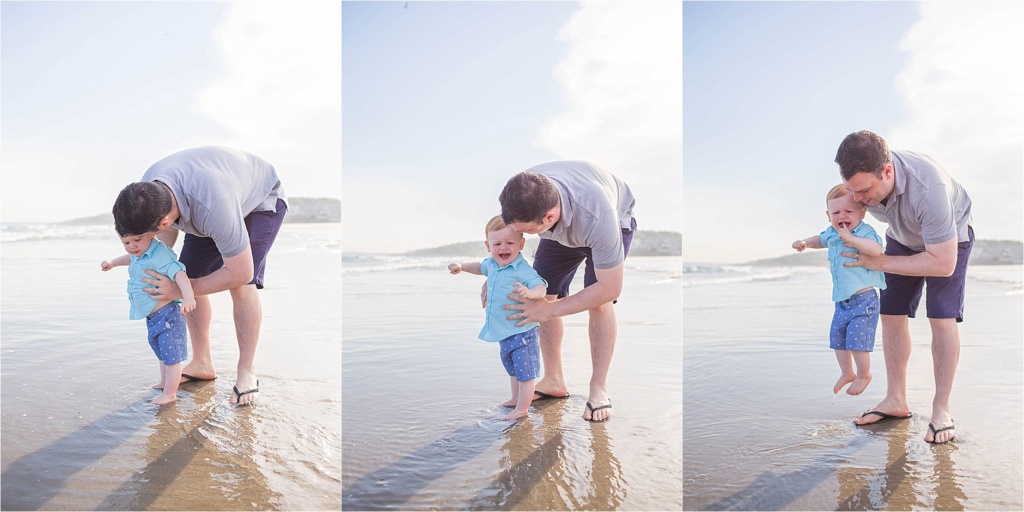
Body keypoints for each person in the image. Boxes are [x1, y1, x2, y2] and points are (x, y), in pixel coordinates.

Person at [115, 146, 287, 405]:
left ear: (163, 223)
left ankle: (246, 371)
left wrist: (178, 290)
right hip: (207, 196)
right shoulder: (145, 191)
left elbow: (241, 273)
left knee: (242, 285)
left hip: (260, 200)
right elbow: (161, 249)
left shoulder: (214, 206)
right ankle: (202, 362)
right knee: (189, 273)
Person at [836, 130, 973, 444]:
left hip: (948, 242)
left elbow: (942, 264)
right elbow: (841, 213)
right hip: (902, 235)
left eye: (864, 191)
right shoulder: (860, 185)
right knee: (891, 312)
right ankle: (896, 400)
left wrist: (880, 262)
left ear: (887, 172)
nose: (858, 199)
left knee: (941, 318)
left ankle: (941, 409)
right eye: (852, 190)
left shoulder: (929, 188)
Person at [498, 161, 636, 422]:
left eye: (527, 231)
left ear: (549, 217)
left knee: (599, 302)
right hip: (558, 224)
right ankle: (553, 380)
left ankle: (598, 388)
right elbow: (505, 237)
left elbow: (609, 288)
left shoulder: (598, 216)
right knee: (541, 293)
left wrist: (548, 311)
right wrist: (496, 272)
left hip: (608, 221)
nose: (521, 234)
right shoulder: (520, 194)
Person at [449, 216, 549, 421]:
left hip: (523, 331)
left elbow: (540, 285)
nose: (503, 247)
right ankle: (515, 398)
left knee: (526, 373)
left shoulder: (522, 269)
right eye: (497, 244)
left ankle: (522, 408)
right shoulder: (492, 265)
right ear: (488, 246)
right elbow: (479, 267)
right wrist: (462, 266)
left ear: (521, 244)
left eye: (510, 242)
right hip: (504, 331)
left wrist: (532, 293)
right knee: (512, 368)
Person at [793, 184, 887, 396]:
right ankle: (847, 372)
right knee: (837, 337)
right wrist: (805, 243)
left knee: (857, 341)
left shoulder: (864, 232)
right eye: (836, 212)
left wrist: (852, 239)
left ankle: (864, 374)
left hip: (864, 299)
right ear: (828, 216)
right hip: (842, 301)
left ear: (862, 212)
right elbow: (819, 240)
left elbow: (876, 250)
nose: (842, 216)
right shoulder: (832, 233)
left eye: (848, 211)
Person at [101, 202, 197, 405]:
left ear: (151, 233)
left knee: (172, 357)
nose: (132, 246)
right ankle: (164, 383)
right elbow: (130, 257)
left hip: (168, 315)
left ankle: (170, 393)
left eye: (137, 240)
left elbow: (179, 273)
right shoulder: (138, 252)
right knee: (162, 353)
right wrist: (113, 263)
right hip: (153, 317)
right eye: (126, 242)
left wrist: (188, 297)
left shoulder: (159, 254)